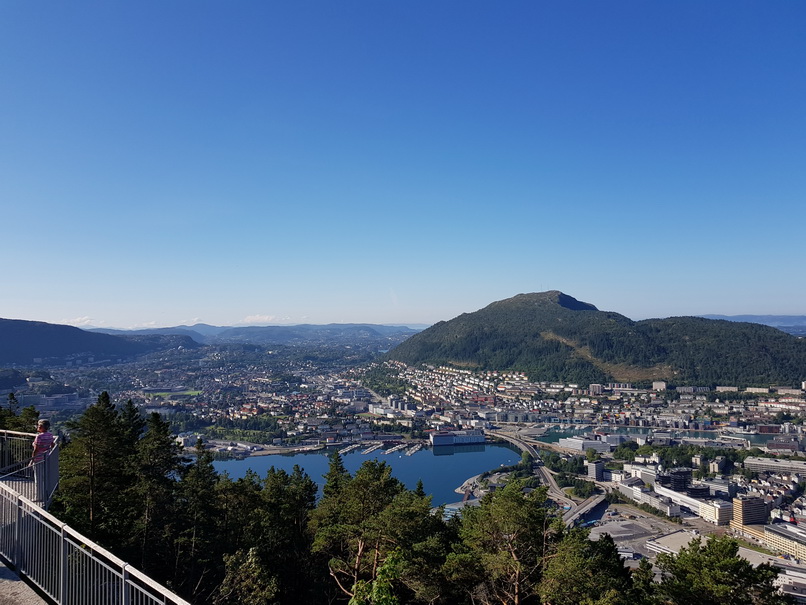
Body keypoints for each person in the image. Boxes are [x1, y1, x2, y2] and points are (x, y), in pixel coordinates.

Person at [32, 418, 55, 504]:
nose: (37, 427)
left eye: (38, 426)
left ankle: (38, 497)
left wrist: (32, 460)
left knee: (38, 478)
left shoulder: (39, 436)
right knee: (44, 477)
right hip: (46, 458)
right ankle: (45, 494)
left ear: (41, 427)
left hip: (38, 459)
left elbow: (36, 450)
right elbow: (52, 445)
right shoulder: (50, 435)